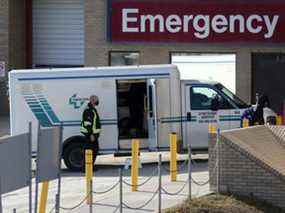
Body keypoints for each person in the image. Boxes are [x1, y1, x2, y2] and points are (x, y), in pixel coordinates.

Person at [80, 95, 101, 169]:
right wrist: (91, 134)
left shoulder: (92, 109)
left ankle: (90, 166)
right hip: (90, 135)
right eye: (96, 100)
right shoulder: (88, 110)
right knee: (90, 151)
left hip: (93, 135)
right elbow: (87, 123)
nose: (98, 101)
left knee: (94, 150)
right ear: (92, 100)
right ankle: (86, 168)